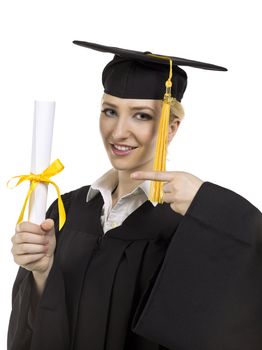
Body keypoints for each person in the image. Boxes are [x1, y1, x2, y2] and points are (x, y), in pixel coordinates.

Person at [8, 41, 262, 350]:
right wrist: (41, 274)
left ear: (171, 128)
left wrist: (209, 205)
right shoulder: (66, 209)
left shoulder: (185, 223)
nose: (118, 132)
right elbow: (36, 327)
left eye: (141, 116)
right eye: (110, 111)